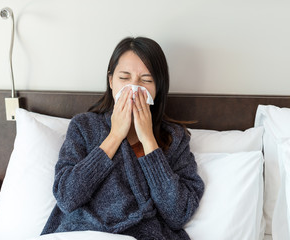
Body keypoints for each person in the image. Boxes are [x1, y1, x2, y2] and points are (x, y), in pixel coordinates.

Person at [41, 37, 204, 239]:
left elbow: (178, 214)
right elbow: (67, 197)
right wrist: (115, 136)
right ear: (111, 81)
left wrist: (149, 141)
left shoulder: (174, 139)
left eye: (145, 80)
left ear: (157, 88)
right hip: (84, 231)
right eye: (124, 78)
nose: (133, 88)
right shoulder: (84, 127)